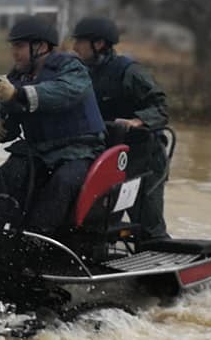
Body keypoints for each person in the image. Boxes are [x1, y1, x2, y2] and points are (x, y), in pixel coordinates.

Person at [0, 16, 106, 234]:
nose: (14, 52)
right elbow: (9, 117)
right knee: (9, 173)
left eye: (19, 46)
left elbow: (63, 93)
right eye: (13, 46)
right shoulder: (18, 76)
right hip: (39, 151)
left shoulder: (72, 68)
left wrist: (17, 94)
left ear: (41, 46)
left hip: (80, 151)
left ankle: (36, 239)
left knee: (63, 182)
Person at [71, 17, 170, 241]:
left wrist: (137, 121)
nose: (75, 47)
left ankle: (157, 263)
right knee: (98, 222)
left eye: (80, 42)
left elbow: (161, 106)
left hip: (142, 158)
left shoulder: (129, 72)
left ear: (98, 44)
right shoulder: (80, 71)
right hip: (105, 158)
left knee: (148, 225)